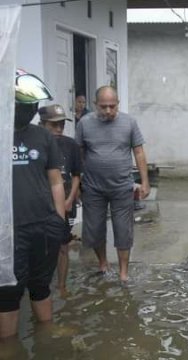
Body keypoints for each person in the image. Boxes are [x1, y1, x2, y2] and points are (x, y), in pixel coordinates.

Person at [0, 71, 67, 338]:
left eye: (31, 105)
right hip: (8, 231)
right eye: (22, 105)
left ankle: (46, 337)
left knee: (41, 285)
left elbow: (55, 181)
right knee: (8, 293)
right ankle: (9, 348)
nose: (28, 110)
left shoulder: (43, 136)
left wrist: (60, 220)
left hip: (44, 225)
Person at [75, 86, 150, 282]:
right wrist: (78, 181)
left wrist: (145, 181)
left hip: (122, 187)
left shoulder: (129, 123)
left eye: (112, 106)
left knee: (123, 230)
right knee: (94, 229)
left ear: (118, 104)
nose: (108, 111)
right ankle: (103, 263)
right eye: (103, 107)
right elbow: (79, 153)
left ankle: (123, 272)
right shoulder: (84, 123)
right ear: (95, 105)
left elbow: (139, 152)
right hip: (93, 188)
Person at [38, 104, 82, 295]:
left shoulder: (70, 145)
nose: (58, 129)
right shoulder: (35, 144)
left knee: (63, 245)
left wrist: (70, 198)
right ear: (42, 124)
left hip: (66, 204)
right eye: (53, 125)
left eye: (61, 125)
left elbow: (76, 175)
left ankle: (62, 286)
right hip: (40, 205)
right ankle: (40, 287)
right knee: (40, 247)